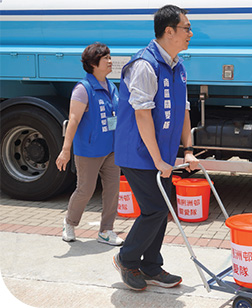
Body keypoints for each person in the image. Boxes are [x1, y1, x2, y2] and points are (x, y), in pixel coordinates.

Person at [112, 5, 198, 291]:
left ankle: (150, 266)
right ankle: (126, 258)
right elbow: (141, 113)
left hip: (162, 156)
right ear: (169, 30)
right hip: (138, 153)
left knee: (161, 209)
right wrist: (158, 159)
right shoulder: (144, 65)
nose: (190, 33)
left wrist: (187, 150)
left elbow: (184, 109)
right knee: (154, 209)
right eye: (186, 27)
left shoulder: (178, 67)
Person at [56, 42, 124, 246]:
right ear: (94, 63)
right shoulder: (83, 89)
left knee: (113, 190)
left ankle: (106, 230)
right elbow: (73, 120)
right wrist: (65, 150)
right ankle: (69, 222)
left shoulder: (111, 86)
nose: (111, 61)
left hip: (111, 149)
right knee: (85, 190)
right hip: (89, 150)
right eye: (106, 59)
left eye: (110, 57)